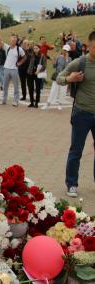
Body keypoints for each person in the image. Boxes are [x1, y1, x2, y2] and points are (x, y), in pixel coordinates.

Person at [57, 31, 95, 197]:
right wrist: (70, 79)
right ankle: (71, 183)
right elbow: (59, 77)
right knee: (76, 150)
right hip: (82, 113)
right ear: (89, 46)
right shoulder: (81, 62)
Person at [0, 31, 27, 107]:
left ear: (16, 40)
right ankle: (4, 100)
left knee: (16, 86)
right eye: (12, 38)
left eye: (15, 39)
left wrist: (19, 63)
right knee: (5, 86)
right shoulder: (7, 47)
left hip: (14, 69)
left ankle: (15, 101)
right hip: (6, 69)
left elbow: (24, 57)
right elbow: (0, 41)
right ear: (10, 40)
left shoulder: (19, 49)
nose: (14, 40)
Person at [42, 45, 72, 110]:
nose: (64, 51)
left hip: (64, 77)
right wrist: (54, 62)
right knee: (53, 90)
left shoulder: (69, 59)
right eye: (64, 50)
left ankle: (60, 104)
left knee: (62, 91)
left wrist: (66, 59)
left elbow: (68, 68)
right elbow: (54, 66)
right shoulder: (59, 57)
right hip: (57, 75)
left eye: (66, 50)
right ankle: (48, 104)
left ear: (68, 51)